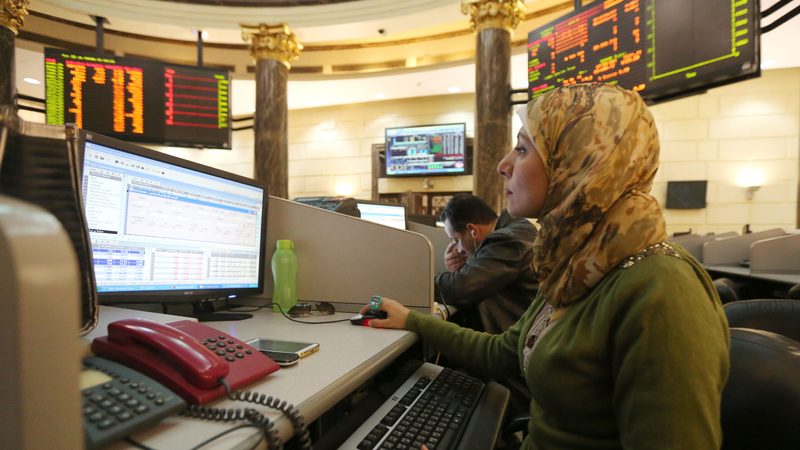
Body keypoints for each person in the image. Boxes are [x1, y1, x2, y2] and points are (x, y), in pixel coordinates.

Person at [362, 83, 730, 450]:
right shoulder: (575, 267)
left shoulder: (662, 288)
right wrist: (411, 319)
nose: (503, 165)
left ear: (581, 161)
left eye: (522, 149)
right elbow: (502, 351)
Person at [436, 193, 538, 334]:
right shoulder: (516, 226)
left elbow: (461, 287)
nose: (457, 249)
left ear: (473, 231)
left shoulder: (507, 240)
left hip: (515, 342)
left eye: (456, 240)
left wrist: (424, 284)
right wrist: (465, 265)